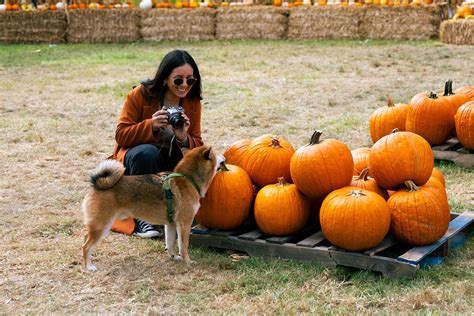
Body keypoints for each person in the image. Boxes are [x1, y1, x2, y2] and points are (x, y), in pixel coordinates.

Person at [109, 49, 204, 238]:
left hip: (168, 162)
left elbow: (198, 146)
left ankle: (176, 209)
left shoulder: (192, 101)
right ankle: (142, 218)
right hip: (139, 163)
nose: (184, 85)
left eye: (190, 80)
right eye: (178, 80)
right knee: (147, 152)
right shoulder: (140, 95)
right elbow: (121, 135)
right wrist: (150, 126)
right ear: (164, 78)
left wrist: (183, 138)